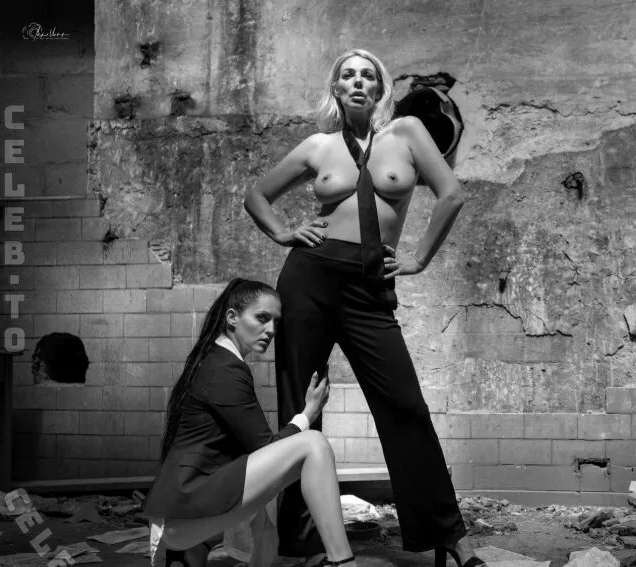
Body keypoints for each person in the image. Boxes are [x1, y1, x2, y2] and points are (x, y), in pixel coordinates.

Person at [243, 48, 481, 567]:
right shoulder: (317, 146)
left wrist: (419, 259)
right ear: (336, 87)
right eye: (347, 74)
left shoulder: (407, 132)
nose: (357, 81)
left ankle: (448, 535)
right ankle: (300, 538)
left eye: (367, 75)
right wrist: (284, 233)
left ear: (379, 89)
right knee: (301, 405)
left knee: (405, 407)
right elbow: (256, 195)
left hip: (370, 285)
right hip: (309, 278)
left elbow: (452, 195)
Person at [142, 278, 356, 567]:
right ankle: (342, 562)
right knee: (313, 444)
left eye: (275, 322)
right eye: (262, 318)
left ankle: (193, 551)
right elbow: (266, 447)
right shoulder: (225, 369)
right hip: (185, 512)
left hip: (183, 510)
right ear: (232, 317)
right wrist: (307, 414)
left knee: (277, 474)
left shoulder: (216, 359)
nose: (271, 330)